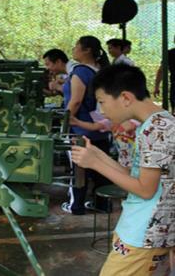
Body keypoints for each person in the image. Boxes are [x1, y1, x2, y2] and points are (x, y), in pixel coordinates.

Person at [71, 64, 175, 276]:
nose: (101, 111)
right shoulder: (154, 124)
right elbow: (133, 176)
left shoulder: (156, 129)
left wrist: (96, 164)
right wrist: (97, 156)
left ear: (126, 98)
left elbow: (145, 189)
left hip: (145, 234)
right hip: (140, 228)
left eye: (102, 102)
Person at [60, 35, 112, 215]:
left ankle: (76, 206)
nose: (74, 49)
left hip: (80, 127)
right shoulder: (101, 69)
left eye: (76, 46)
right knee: (102, 167)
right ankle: (103, 204)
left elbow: (75, 102)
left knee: (78, 167)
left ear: (87, 50)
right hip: (100, 126)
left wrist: (65, 124)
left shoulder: (80, 71)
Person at [153, 35, 175, 115]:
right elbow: (161, 71)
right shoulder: (170, 54)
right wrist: (156, 86)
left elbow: (161, 71)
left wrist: (156, 87)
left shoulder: (170, 53)